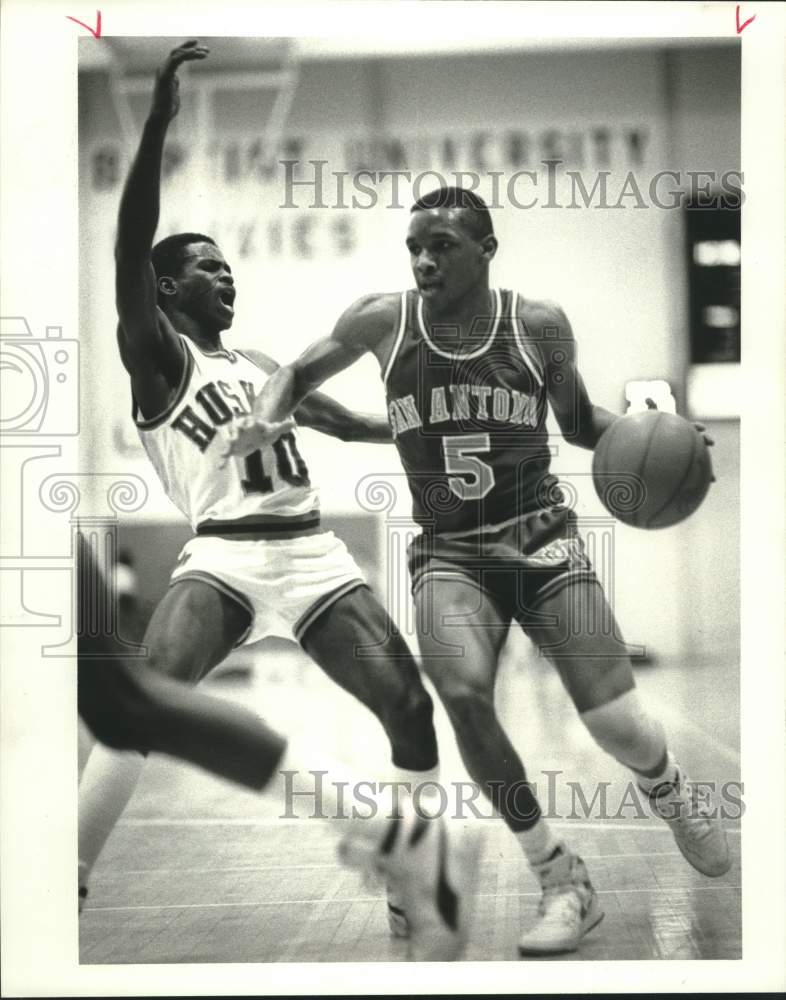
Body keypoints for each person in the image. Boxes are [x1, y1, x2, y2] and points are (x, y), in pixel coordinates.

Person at [225, 185, 732, 956]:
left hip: (542, 536)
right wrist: (265, 416)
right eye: (415, 247)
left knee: (618, 725)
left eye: (444, 246)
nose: (425, 260)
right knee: (461, 696)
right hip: (451, 552)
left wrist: (662, 437)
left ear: (486, 250)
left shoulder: (538, 325)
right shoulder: (379, 319)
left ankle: (665, 784)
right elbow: (292, 374)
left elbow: (578, 423)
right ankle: (562, 877)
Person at [78, 40, 443, 946]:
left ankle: (412, 871)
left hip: (314, 553)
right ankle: (69, 872)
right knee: (145, 702)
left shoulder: (264, 366)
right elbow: (129, 242)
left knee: (408, 706)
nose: (226, 273)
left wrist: (433, 432)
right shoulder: (159, 355)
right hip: (224, 555)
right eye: (206, 266)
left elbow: (355, 427)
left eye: (228, 266)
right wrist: (159, 117)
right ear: (164, 290)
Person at [76, 531, 471, 962]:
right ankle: (408, 837)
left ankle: (410, 851)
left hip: (305, 547)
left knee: (409, 705)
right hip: (220, 552)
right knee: (125, 708)